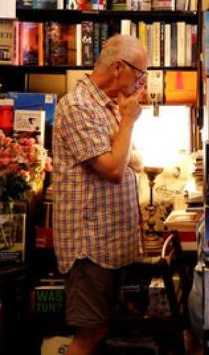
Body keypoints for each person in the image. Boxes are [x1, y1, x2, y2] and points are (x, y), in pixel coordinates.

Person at [53, 35, 148, 355]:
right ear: (119, 68)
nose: (142, 82)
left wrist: (125, 121)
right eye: (140, 73)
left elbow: (133, 159)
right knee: (89, 333)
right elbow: (113, 169)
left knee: (103, 328)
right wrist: (130, 121)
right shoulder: (78, 106)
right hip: (89, 245)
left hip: (110, 241)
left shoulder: (108, 106)